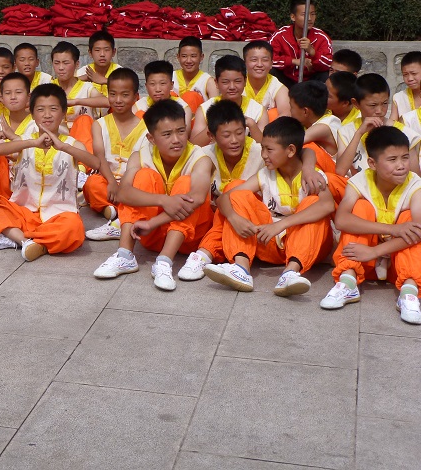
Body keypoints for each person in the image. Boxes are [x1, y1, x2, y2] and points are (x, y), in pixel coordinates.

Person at [204, 117, 336, 296]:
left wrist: (280, 225)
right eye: (263, 148)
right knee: (238, 195)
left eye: (269, 149)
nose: (264, 155)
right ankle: (241, 269)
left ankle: (290, 273)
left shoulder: (312, 176)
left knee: (312, 202)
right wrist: (235, 218)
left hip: (307, 246)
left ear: (291, 150)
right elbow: (224, 198)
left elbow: (327, 205)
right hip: (269, 242)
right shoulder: (265, 175)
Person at [93, 99, 214, 289]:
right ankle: (125, 255)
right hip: (150, 236)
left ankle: (164, 262)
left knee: (185, 183)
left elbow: (197, 198)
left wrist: (153, 222)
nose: (176, 139)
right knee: (144, 176)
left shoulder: (200, 157)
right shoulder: (140, 155)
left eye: (181, 131)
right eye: (167, 134)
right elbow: (122, 193)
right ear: (151, 138)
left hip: (189, 238)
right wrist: (163, 200)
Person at [0, 83, 99, 261]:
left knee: (74, 228)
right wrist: (33, 143)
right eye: (40, 109)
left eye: (53, 109)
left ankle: (17, 238)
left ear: (63, 113)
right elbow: (0, 150)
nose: (47, 115)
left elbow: (95, 163)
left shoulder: (72, 144)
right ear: (32, 114)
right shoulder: (25, 141)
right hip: (23, 212)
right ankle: (28, 241)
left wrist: (63, 147)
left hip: (58, 215)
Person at [322, 126, 421, 324]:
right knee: (361, 207)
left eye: (405, 157)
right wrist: (391, 229)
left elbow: (419, 232)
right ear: (372, 163)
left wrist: (375, 251)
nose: (401, 166)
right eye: (392, 160)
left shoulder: (415, 184)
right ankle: (348, 280)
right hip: (362, 259)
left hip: (398, 264)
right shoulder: (360, 180)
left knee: (410, 218)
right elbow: (341, 220)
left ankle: (409, 292)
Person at [176, 100, 264, 280]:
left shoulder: (261, 153)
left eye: (239, 133)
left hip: (250, 224)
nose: (235, 140)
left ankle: (204, 254)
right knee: (188, 184)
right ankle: (214, 255)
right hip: (215, 221)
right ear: (212, 136)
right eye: (226, 135)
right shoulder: (204, 155)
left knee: (235, 189)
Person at [83, 68, 148, 240]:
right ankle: (118, 212)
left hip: (132, 182)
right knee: (92, 184)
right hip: (107, 180)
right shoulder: (99, 124)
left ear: (136, 97)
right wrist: (111, 181)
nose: (118, 100)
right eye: (113, 94)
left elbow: (143, 163)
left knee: (145, 184)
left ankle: (116, 216)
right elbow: (99, 156)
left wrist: (124, 186)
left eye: (125, 95)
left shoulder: (146, 128)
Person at [337, 73, 421, 177]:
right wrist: (359, 133)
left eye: (385, 103)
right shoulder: (346, 132)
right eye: (373, 105)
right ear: (356, 104)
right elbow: (340, 171)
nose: (380, 111)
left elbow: (415, 177)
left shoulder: (404, 133)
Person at [191, 55, 266, 146]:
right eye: (225, 82)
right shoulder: (205, 109)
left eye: (237, 81)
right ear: (216, 83)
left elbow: (265, 147)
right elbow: (194, 146)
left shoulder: (258, 110)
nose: (232, 87)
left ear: (245, 81)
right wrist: (215, 124)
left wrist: (252, 125)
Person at [50, 41, 108, 156]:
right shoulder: (48, 87)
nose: (61, 68)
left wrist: (76, 101)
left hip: (83, 138)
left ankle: (84, 164)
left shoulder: (86, 87)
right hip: (57, 137)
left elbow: (106, 102)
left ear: (77, 64)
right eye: (57, 63)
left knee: (84, 120)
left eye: (66, 63)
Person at [269, 0, 333, 86]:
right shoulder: (281, 35)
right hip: (286, 80)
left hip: (310, 82)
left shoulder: (321, 37)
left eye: (313, 14)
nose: (309, 18)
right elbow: (268, 59)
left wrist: (313, 52)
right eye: (304, 15)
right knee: (271, 72)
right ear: (293, 17)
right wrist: (293, 61)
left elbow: (328, 64)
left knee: (324, 75)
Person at [132, 60, 192, 129]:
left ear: (171, 85)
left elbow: (185, 132)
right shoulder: (139, 106)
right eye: (152, 84)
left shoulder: (183, 108)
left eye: (162, 83)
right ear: (146, 86)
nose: (158, 89)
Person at [243, 40, 289, 121]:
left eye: (265, 60)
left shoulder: (278, 87)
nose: (259, 64)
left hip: (270, 127)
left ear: (271, 64)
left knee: (274, 113)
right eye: (254, 60)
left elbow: (286, 113)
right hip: (241, 127)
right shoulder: (237, 83)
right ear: (245, 63)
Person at [172, 36, 218, 113]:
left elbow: (215, 111)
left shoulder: (208, 81)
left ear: (201, 57)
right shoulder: (171, 77)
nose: (188, 61)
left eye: (193, 56)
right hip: (171, 118)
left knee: (192, 97)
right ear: (178, 57)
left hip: (197, 119)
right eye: (184, 56)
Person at [78, 30, 121, 97]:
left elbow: (129, 88)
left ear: (113, 52)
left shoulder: (119, 71)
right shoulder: (83, 71)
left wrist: (105, 80)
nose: (102, 54)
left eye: (106, 50)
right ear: (90, 53)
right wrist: (80, 79)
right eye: (97, 50)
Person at [390, 51, 421, 121]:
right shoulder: (398, 98)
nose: (410, 79)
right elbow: (392, 124)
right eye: (405, 74)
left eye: (414, 73)